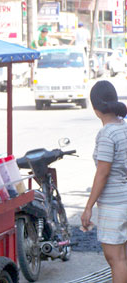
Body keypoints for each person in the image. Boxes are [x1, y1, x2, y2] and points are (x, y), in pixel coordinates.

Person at [81, 80, 127, 283]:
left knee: (115, 259)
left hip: (113, 204)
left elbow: (103, 173)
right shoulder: (123, 127)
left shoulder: (107, 133)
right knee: (123, 257)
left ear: (95, 107)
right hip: (124, 198)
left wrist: (88, 206)